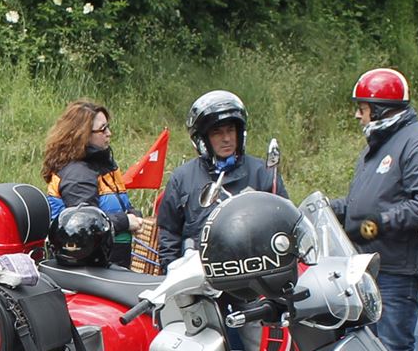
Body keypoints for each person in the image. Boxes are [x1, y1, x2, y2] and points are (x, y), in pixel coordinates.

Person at [329, 67, 418, 351]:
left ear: (381, 109)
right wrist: (327, 208)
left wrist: (376, 225)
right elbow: (363, 204)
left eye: (363, 108)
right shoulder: (378, 147)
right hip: (371, 267)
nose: (358, 115)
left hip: (399, 270)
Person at [157, 90, 287, 268]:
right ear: (203, 139)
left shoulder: (263, 173)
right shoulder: (182, 179)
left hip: (255, 272)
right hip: (200, 276)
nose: (226, 139)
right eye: (217, 132)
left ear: (240, 133)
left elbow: (284, 223)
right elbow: (169, 235)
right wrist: (172, 271)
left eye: (231, 130)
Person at [42, 100, 149, 270]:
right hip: (88, 270)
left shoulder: (102, 165)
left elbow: (112, 206)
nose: (109, 133)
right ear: (83, 134)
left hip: (109, 264)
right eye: (103, 129)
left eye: (108, 127)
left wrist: (133, 214)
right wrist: (125, 221)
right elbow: (84, 227)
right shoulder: (78, 175)